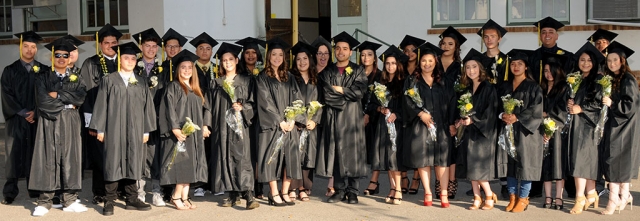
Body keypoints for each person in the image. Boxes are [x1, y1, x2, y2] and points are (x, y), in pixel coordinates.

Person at [89, 42, 156, 216]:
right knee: (113, 162)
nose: (130, 61)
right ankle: (109, 201)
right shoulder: (109, 80)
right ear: (120, 59)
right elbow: (101, 104)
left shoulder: (141, 82)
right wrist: (100, 129)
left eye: (133, 58)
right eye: (126, 58)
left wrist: (146, 130)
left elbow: (147, 107)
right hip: (113, 129)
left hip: (135, 129)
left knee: (133, 160)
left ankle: (132, 199)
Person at [29, 39, 88, 217]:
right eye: (58, 55)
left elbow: (80, 98)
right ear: (52, 57)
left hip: (71, 121)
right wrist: (66, 101)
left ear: (70, 57)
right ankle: (45, 201)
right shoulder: (43, 77)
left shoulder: (77, 77)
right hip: (50, 120)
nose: (62, 58)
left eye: (65, 55)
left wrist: (59, 94)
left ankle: (69, 200)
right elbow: (43, 101)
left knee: (71, 157)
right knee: (47, 157)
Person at [316, 32, 368, 204]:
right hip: (334, 118)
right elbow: (327, 95)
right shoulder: (327, 72)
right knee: (337, 152)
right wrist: (346, 94)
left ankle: (353, 190)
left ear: (350, 52)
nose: (340, 51)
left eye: (345, 49)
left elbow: (359, 92)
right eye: (338, 48)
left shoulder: (358, 70)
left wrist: (340, 90)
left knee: (353, 152)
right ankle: (339, 189)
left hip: (352, 119)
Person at [402, 42, 454, 208]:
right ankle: (428, 192)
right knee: (424, 159)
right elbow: (407, 101)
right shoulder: (412, 80)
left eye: (430, 61)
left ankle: (443, 192)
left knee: (442, 159)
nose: (427, 64)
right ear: (419, 62)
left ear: (435, 61)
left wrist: (452, 123)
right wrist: (420, 113)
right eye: (424, 60)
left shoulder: (444, 81)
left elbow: (452, 102)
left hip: (441, 124)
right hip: (421, 125)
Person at [208, 43, 259, 209]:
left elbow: (254, 103)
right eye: (224, 60)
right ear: (221, 63)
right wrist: (206, 125)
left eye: (230, 59)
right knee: (225, 157)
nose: (227, 62)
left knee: (244, 158)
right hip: (223, 127)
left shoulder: (247, 80)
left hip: (241, 126)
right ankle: (232, 194)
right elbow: (209, 106)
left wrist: (243, 108)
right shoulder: (216, 83)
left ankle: (249, 194)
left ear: (237, 60)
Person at [158, 50, 211, 210]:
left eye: (189, 67)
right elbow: (169, 109)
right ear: (178, 70)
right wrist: (174, 128)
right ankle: (175, 196)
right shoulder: (173, 86)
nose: (187, 70)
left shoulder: (196, 89)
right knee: (182, 165)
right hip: (181, 133)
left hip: (193, 134)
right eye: (183, 67)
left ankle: (185, 196)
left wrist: (204, 125)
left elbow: (206, 108)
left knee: (191, 165)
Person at [528, 17, 574, 199]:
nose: (547, 35)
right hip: (541, 101)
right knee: (540, 148)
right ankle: (537, 188)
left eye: (550, 32)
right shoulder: (533, 57)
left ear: (557, 35)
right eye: (544, 32)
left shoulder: (568, 56)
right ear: (540, 35)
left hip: (559, 106)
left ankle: (568, 189)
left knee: (561, 150)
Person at [255, 37, 304, 206]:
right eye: (274, 54)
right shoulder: (262, 78)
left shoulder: (289, 77)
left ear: (284, 57)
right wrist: (279, 121)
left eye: (280, 55)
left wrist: (292, 120)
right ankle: (273, 193)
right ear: (268, 57)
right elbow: (265, 101)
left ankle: (284, 192)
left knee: (289, 159)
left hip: (288, 126)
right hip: (272, 126)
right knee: (272, 158)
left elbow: (297, 98)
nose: (277, 58)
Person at [78, 24, 123, 204]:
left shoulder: (124, 61)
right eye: (107, 43)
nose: (110, 46)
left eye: (114, 43)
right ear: (100, 45)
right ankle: (99, 191)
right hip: (99, 119)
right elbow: (86, 92)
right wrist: (91, 122)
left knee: (119, 155)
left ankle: (117, 190)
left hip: (120, 119)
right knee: (99, 156)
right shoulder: (91, 63)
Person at [1, 31, 45, 205]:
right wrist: (23, 112)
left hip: (36, 119)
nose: (29, 50)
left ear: (36, 49)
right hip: (16, 120)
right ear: (20, 47)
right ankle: (10, 191)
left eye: (33, 47)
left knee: (34, 152)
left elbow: (45, 95)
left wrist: (35, 111)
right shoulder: (10, 70)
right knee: (13, 154)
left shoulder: (43, 70)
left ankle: (34, 188)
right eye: (26, 46)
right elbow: (6, 95)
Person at [498, 49, 543, 213]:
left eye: (520, 64)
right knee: (509, 164)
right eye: (513, 64)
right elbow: (496, 105)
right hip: (508, 130)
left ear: (526, 67)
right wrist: (503, 114)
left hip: (526, 133)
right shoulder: (505, 86)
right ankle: (512, 197)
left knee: (526, 165)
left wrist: (516, 117)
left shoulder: (533, 87)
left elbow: (536, 110)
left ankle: (523, 198)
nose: (516, 67)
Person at [456, 48, 499, 210]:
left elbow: (491, 111)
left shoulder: (488, 88)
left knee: (477, 167)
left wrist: (473, 119)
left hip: (483, 132)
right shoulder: (466, 89)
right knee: (469, 165)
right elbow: (461, 109)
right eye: (467, 67)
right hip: (469, 132)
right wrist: (461, 119)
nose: (471, 70)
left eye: (474, 67)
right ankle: (476, 197)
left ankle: (488, 195)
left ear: (480, 68)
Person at [600, 42, 639, 215]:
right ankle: (624, 195)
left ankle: (614, 200)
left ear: (622, 61)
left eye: (615, 60)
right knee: (614, 162)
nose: (612, 63)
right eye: (609, 60)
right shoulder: (612, 79)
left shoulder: (628, 79)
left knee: (617, 162)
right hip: (614, 125)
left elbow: (630, 106)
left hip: (624, 127)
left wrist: (612, 103)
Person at [566, 42, 605, 214]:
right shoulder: (577, 79)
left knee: (581, 162)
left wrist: (581, 108)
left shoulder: (598, 80)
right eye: (582, 60)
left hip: (589, 127)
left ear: (594, 62)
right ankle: (591, 194)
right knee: (584, 162)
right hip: (577, 125)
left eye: (589, 60)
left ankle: (579, 197)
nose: (586, 63)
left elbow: (599, 105)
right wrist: (571, 104)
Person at [369, 45, 408, 205]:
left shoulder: (405, 81)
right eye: (387, 63)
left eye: (393, 63)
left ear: (398, 65)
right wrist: (380, 108)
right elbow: (371, 104)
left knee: (394, 158)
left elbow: (408, 106)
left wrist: (396, 114)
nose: (390, 66)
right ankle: (392, 188)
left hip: (397, 125)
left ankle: (398, 189)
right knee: (386, 158)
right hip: (382, 125)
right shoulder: (380, 82)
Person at [132, 27, 165, 205]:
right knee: (138, 155)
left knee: (155, 155)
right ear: (141, 47)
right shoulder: (133, 68)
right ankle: (139, 191)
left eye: (154, 46)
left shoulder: (163, 70)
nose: (151, 49)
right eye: (147, 45)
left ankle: (157, 191)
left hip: (157, 119)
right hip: (137, 119)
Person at [289, 41, 322, 202]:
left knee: (309, 155)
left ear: (310, 60)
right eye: (298, 59)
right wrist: (299, 119)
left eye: (305, 59)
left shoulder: (317, 79)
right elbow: (288, 102)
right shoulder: (290, 79)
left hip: (311, 126)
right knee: (295, 155)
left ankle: (305, 186)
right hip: (296, 124)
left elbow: (322, 102)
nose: (302, 62)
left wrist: (315, 120)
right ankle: (295, 187)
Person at [158, 27, 188, 203]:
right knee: (165, 155)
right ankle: (165, 189)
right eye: (169, 46)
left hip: (181, 119)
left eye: (175, 46)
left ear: (180, 49)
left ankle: (179, 190)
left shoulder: (185, 68)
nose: (172, 49)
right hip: (163, 117)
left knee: (180, 156)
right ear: (165, 49)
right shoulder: (159, 69)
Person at [236, 37, 267, 199]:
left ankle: (259, 186)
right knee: (246, 153)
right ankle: (245, 187)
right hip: (245, 118)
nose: (250, 56)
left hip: (261, 118)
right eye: (247, 52)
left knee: (259, 153)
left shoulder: (263, 73)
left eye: (254, 52)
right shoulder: (239, 74)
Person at [188, 32, 218, 197]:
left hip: (214, 115)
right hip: (196, 115)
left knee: (213, 149)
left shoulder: (217, 69)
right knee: (199, 150)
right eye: (201, 48)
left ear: (212, 52)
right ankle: (199, 184)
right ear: (196, 52)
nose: (205, 51)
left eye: (208, 48)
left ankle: (213, 183)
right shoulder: (190, 69)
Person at [439, 26, 467, 200]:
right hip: (436, 111)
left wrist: (458, 118)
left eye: (451, 43)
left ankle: (452, 180)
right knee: (439, 148)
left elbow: (464, 92)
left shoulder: (460, 67)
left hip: (454, 111)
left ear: (456, 47)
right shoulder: (433, 62)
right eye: (444, 43)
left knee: (453, 148)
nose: (446, 46)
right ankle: (439, 180)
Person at [353, 41, 385, 196]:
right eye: (363, 55)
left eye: (369, 55)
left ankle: (374, 181)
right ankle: (353, 181)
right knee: (357, 150)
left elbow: (381, 98)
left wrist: (368, 114)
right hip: (355, 116)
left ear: (375, 58)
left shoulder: (380, 76)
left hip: (374, 118)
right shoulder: (355, 74)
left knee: (374, 150)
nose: (366, 57)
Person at [540, 52, 568, 210]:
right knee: (546, 164)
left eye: (551, 70)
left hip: (557, 131)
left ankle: (559, 197)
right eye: (545, 71)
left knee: (558, 163)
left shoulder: (563, 87)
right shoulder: (542, 88)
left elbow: (563, 111)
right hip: (543, 130)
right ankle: (548, 196)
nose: (548, 74)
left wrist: (547, 115)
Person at [398, 35, 427, 194]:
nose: (409, 53)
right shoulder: (400, 67)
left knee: (416, 147)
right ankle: (403, 177)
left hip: (417, 112)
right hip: (401, 111)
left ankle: (416, 179)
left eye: (413, 50)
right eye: (406, 50)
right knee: (402, 145)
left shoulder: (421, 69)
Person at [310, 35, 335, 197]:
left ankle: (331, 184)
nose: (323, 56)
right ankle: (306, 185)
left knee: (330, 148)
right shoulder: (309, 71)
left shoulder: (332, 72)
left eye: (326, 53)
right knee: (310, 150)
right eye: (319, 53)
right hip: (310, 115)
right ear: (315, 55)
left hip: (329, 114)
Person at [478, 19, 508, 85]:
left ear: (499, 39)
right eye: (486, 37)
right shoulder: (478, 61)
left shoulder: (507, 60)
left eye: (493, 36)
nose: (489, 40)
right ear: (483, 40)